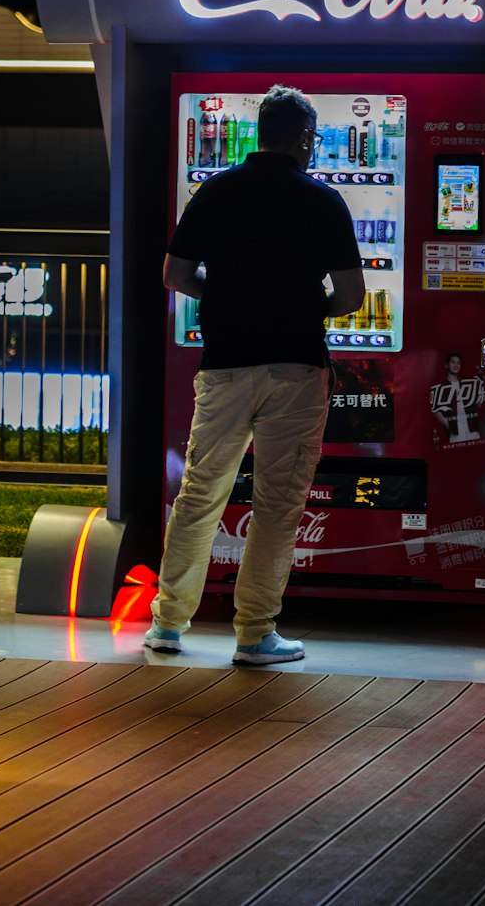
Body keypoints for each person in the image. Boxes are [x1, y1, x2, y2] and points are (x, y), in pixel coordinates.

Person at [145, 84, 365, 665]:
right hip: (295, 367)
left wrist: (225, 295)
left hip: (225, 364)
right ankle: (254, 633)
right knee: (277, 503)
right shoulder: (324, 200)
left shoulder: (214, 190)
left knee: (201, 491)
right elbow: (350, 296)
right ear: (304, 138)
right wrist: (299, 303)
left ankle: (168, 623)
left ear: (257, 135)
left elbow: (174, 274)